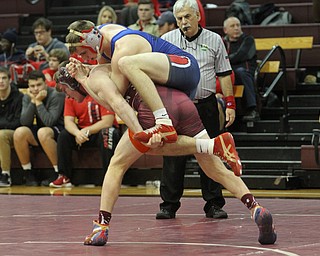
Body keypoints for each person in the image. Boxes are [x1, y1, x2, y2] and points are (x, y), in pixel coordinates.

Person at [56, 64, 276, 246]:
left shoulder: (95, 77)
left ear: (72, 81)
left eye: (66, 91)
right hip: (181, 101)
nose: (70, 98)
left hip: (152, 107)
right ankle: (255, 207)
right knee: (215, 168)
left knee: (118, 164)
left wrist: (143, 131)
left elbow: (121, 106)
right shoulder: (109, 65)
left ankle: (101, 227)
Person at [155, 0, 236, 220]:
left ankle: (213, 204)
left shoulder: (214, 39)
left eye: (187, 17)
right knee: (172, 156)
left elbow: (225, 74)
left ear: (198, 16)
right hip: (177, 108)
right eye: (179, 18)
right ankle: (168, 205)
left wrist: (230, 104)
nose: (183, 22)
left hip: (206, 105)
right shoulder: (165, 41)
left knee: (209, 155)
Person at [65, 19, 200, 145]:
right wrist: (87, 68)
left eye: (83, 53)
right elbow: (111, 72)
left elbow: (115, 99)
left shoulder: (122, 48)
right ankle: (209, 146)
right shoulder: (101, 35)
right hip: (170, 77)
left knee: (125, 63)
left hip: (185, 67)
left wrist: (84, 80)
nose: (84, 58)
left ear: (92, 42)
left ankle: (163, 120)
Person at [49, 93, 118, 188]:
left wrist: (87, 130)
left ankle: (110, 177)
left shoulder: (101, 93)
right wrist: (77, 133)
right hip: (82, 131)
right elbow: (68, 122)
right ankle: (64, 176)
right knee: (64, 135)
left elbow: (107, 122)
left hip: (100, 130)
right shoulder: (71, 96)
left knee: (107, 133)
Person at [13, 70, 65, 186]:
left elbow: (49, 121)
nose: (35, 89)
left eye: (39, 85)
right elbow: (25, 122)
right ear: (28, 87)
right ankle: (28, 173)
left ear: (45, 84)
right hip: (42, 129)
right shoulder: (28, 97)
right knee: (20, 132)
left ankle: (59, 172)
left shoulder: (56, 94)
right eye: (32, 86)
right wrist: (33, 101)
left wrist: (39, 103)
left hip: (59, 129)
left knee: (43, 132)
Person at [223, 16, 260, 122]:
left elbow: (242, 55)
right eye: (232, 26)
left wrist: (225, 59)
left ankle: (252, 109)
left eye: (238, 25)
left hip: (246, 72)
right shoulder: (223, 42)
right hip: (230, 73)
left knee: (240, 72)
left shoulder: (248, 40)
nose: (236, 28)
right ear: (225, 30)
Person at [0, 67, 23, 187]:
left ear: (10, 80)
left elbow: (18, 121)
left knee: (1, 135)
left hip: (15, 133)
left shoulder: (18, 97)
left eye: (4, 78)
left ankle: (5, 175)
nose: (1, 81)